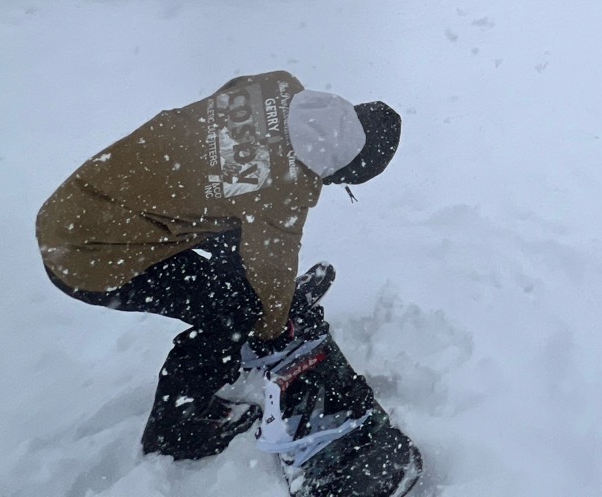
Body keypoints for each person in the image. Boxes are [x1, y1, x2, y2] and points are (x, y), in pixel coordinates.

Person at [35, 72, 402, 461]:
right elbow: (271, 261)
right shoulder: (286, 185)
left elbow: (228, 111)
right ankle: (175, 429)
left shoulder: (279, 86)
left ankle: (245, 296)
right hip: (92, 258)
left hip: (80, 207)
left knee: (238, 224)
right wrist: (272, 326)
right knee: (233, 315)